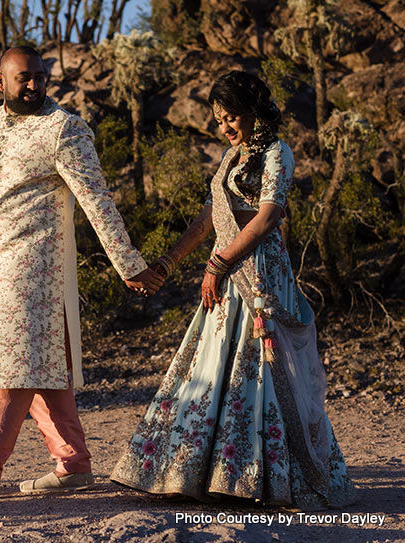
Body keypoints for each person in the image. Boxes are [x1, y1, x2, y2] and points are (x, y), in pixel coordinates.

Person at [0, 46, 164, 500]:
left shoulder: (64, 129)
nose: (34, 85)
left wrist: (128, 264)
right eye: (23, 78)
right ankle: (73, 464)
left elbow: (98, 201)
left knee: (11, 368)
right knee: (38, 366)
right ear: (0, 82)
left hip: (38, 270)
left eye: (39, 76)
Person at [110, 70, 356, 509]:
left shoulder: (277, 153)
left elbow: (268, 216)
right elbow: (209, 216)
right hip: (224, 277)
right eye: (219, 119)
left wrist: (220, 263)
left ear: (253, 111)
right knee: (213, 367)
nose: (224, 127)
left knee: (260, 371)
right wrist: (169, 262)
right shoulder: (231, 156)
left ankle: (262, 481)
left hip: (259, 276)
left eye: (231, 117)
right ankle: (206, 474)